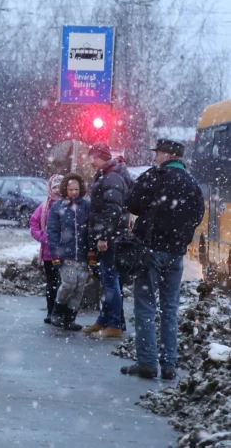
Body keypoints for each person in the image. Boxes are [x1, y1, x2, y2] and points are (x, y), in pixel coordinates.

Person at [120, 139, 204, 380]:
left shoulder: (154, 176)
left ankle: (147, 362)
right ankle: (169, 365)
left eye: (157, 153)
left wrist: (152, 214)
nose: (154, 157)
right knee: (170, 309)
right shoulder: (191, 182)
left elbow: (132, 204)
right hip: (176, 254)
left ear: (167, 155)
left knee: (145, 306)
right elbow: (198, 214)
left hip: (150, 251)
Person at [82, 142, 134, 339]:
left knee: (110, 280)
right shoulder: (110, 174)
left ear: (102, 157)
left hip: (111, 238)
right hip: (112, 236)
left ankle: (113, 325)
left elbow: (112, 209)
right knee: (108, 280)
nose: (91, 161)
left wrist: (104, 236)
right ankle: (105, 321)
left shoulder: (111, 177)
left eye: (93, 157)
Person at [47, 173, 90, 331]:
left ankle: (71, 317)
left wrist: (91, 251)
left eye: (76, 189)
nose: (74, 192)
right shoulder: (58, 207)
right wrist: (55, 253)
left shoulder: (86, 206)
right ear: (65, 189)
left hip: (83, 255)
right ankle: (57, 311)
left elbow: (91, 230)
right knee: (68, 284)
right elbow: (52, 231)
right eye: (71, 189)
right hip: (66, 255)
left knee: (79, 288)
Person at [30, 174, 64, 324]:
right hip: (49, 254)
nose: (57, 190)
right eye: (54, 187)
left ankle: (62, 312)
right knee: (52, 283)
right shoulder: (44, 208)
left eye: (59, 187)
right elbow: (34, 224)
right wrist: (43, 238)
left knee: (66, 284)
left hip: (66, 252)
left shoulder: (68, 205)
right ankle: (51, 311)